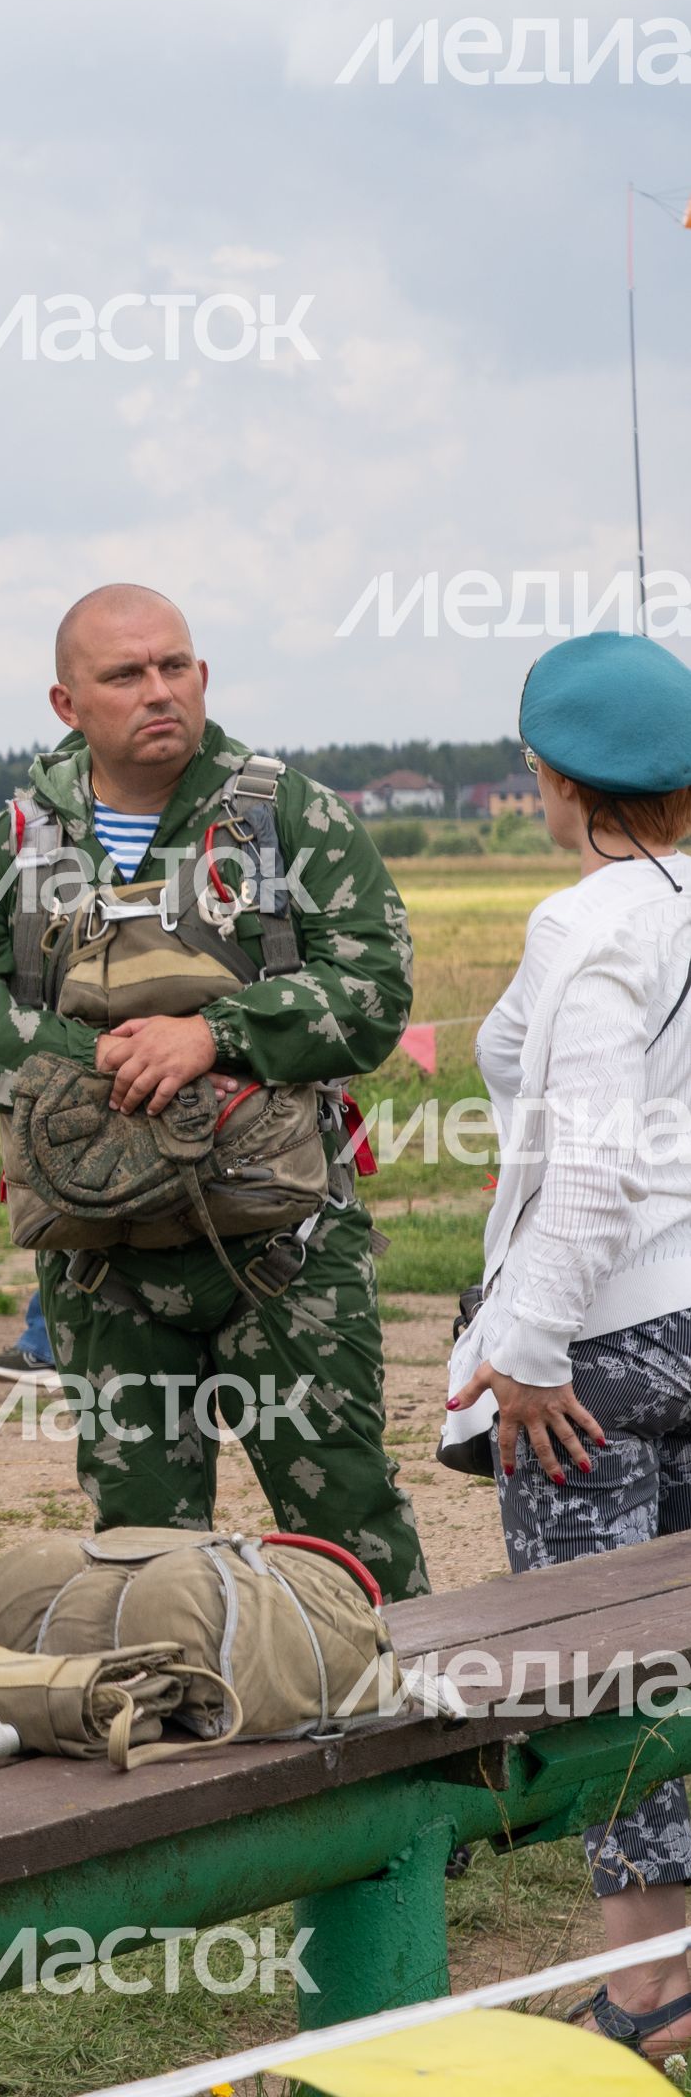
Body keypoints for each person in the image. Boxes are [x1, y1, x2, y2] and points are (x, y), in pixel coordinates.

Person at [0, 583, 430, 1597]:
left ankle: (408, 1737)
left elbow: (373, 992)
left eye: (175, 666)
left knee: (347, 1529)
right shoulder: (12, 847)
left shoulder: (287, 818)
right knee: (144, 1555)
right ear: (67, 705)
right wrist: (98, 1063)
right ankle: (185, 1738)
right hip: (105, 1269)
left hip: (283, 1253)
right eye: (125, 675)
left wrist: (214, 1037)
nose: (159, 691)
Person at [446, 633, 691, 2060]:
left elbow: (592, 1171)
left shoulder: (586, 922)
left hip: (596, 1345)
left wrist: (522, 1345)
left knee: (609, 1679)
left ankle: (647, 1997)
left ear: (550, 775)